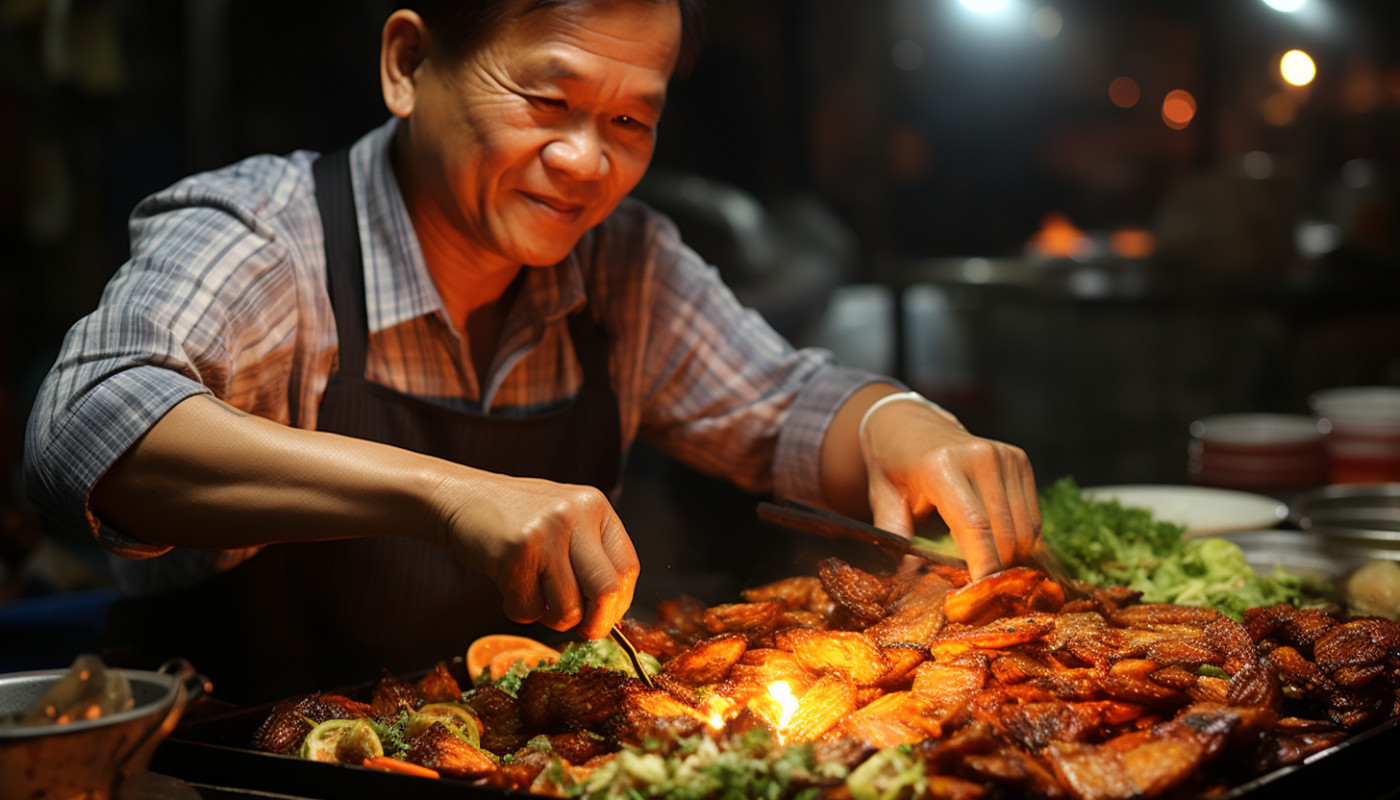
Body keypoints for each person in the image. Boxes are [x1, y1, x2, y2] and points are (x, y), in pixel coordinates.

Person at [23, 0, 1040, 702]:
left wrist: (899, 422)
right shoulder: (268, 233)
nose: (587, 162)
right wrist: (450, 494)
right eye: (547, 104)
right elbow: (84, 430)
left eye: (630, 120)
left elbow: (782, 409)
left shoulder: (623, 263)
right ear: (408, 63)